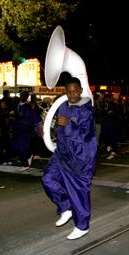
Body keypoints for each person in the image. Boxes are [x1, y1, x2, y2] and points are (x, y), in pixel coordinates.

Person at [39, 77, 97, 240]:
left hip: (79, 157)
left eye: (74, 91)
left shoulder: (87, 110)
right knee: (48, 180)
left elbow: (86, 136)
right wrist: (43, 130)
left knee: (79, 192)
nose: (71, 94)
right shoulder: (62, 106)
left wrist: (68, 124)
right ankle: (66, 207)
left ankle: (82, 226)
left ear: (80, 91)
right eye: (68, 91)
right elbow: (57, 129)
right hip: (62, 153)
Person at [11, 91, 33, 171]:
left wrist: (17, 120)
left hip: (24, 130)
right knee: (14, 145)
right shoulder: (17, 105)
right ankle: (28, 155)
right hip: (17, 129)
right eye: (22, 96)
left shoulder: (27, 107)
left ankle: (25, 164)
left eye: (25, 96)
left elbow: (28, 120)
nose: (23, 97)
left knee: (22, 147)